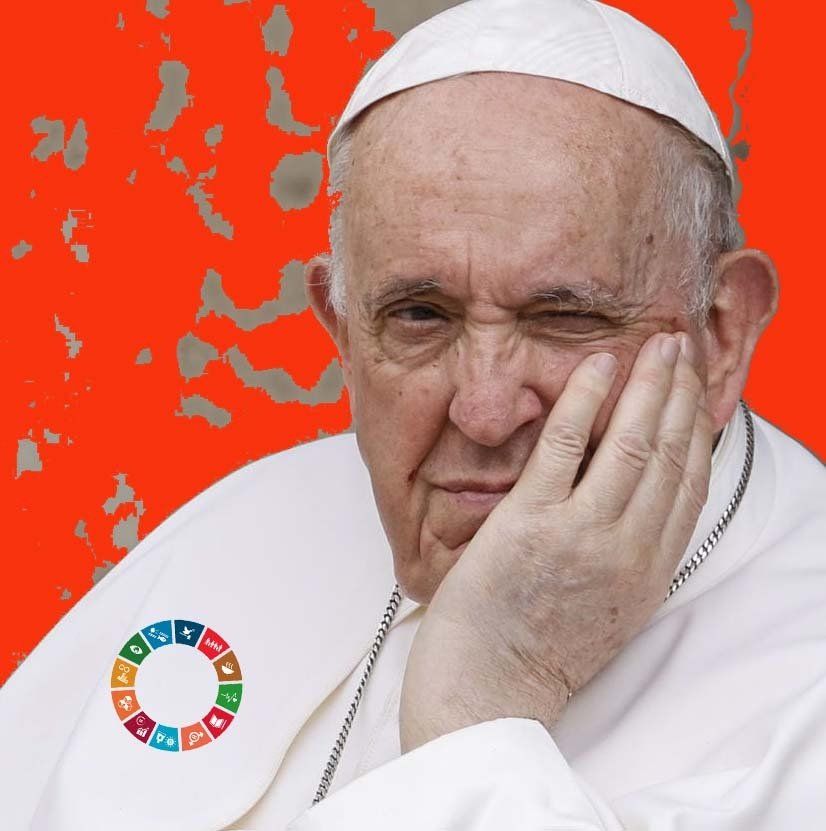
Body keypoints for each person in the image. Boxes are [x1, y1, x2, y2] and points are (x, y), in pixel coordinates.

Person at [3, 0, 824, 828]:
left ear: (721, 334)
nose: (486, 411)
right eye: (420, 316)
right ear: (342, 330)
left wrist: (484, 701)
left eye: (565, 318)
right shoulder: (253, 516)